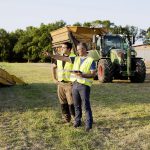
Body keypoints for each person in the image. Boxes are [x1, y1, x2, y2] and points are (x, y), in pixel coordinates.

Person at [49, 42, 96, 132]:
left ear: (85, 49)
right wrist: (51, 55)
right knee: (77, 106)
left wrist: (83, 75)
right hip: (75, 84)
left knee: (86, 106)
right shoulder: (75, 59)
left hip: (84, 86)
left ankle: (88, 124)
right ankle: (77, 122)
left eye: (81, 49)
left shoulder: (91, 60)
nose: (79, 51)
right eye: (78, 49)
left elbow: (93, 74)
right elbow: (62, 58)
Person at [45, 42, 76, 123]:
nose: (62, 49)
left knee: (71, 103)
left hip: (70, 84)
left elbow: (66, 60)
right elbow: (53, 67)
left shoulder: (74, 57)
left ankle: (75, 119)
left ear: (69, 49)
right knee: (63, 103)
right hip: (60, 84)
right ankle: (66, 119)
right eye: (61, 47)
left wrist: (51, 55)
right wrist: (54, 78)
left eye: (64, 47)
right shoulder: (59, 58)